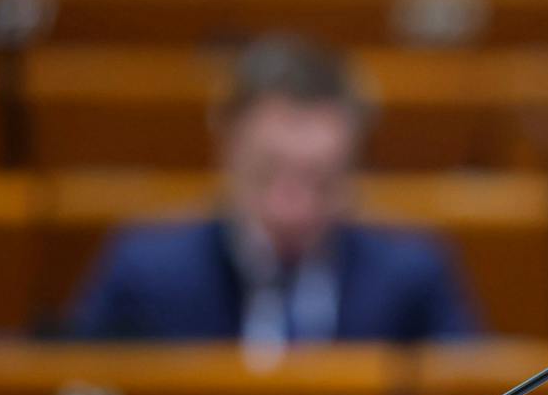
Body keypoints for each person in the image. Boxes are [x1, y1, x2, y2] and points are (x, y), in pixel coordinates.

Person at [68, 36, 479, 344]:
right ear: (225, 148)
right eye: (267, 174)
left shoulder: (412, 277)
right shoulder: (145, 274)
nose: (292, 210)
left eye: (322, 182)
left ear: (356, 165)